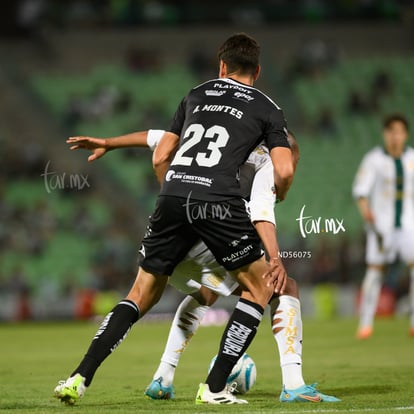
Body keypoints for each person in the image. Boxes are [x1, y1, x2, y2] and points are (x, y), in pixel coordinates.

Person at [54, 32, 295, 406]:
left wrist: (174, 193)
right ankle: (214, 387)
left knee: (139, 295)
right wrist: (283, 187)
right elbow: (283, 167)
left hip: (172, 194)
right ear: (258, 71)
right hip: (217, 200)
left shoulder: (196, 95)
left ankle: (78, 377)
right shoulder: (267, 108)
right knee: (261, 286)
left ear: (221, 67)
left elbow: (161, 153)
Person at [65, 129, 339, 403]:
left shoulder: (213, 132)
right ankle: (289, 383)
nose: (291, 171)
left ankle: (134, 376)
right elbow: (261, 213)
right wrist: (275, 258)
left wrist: (109, 143)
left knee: (172, 294)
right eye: (293, 162)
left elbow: (159, 145)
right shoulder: (265, 160)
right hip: (215, 229)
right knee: (278, 285)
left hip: (171, 222)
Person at [353, 114, 414, 340]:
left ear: (405, 134)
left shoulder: (412, 159)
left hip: (408, 225)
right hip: (382, 226)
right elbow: (361, 191)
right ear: (385, 134)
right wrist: (367, 214)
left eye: (399, 131)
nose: (395, 136)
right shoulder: (374, 159)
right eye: (391, 131)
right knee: (374, 273)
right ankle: (365, 323)